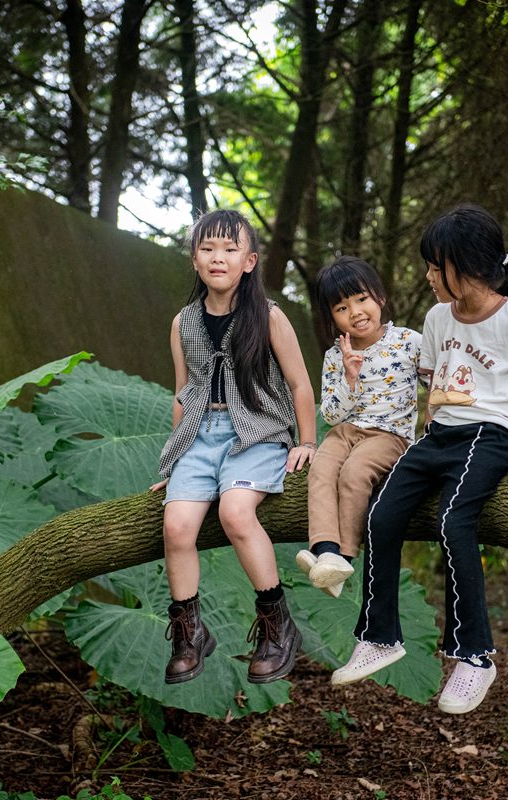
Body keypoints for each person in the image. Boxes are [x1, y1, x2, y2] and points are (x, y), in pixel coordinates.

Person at [330, 204, 508, 716]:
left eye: (436, 267)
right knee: (381, 515)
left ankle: (474, 655)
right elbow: (433, 385)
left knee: (453, 520)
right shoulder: (437, 318)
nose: (428, 276)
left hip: (492, 434)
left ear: (469, 267)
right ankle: (379, 636)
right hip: (439, 434)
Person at [150, 209, 317, 686]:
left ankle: (277, 624)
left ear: (249, 261)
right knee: (176, 525)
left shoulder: (269, 317)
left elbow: (300, 384)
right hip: (200, 435)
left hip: (258, 433)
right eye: (207, 249)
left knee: (236, 512)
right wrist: (175, 458)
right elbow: (183, 392)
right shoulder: (183, 323)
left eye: (229, 249)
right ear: (194, 260)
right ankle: (189, 633)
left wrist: (307, 441)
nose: (217, 257)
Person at [297, 256, 421, 598]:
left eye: (362, 299)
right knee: (321, 470)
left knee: (354, 473)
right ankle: (326, 550)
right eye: (342, 307)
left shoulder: (409, 342)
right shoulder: (335, 356)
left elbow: (438, 382)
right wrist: (349, 379)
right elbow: (330, 415)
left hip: (389, 435)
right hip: (345, 432)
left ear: (379, 296)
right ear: (332, 317)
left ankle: (344, 558)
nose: (355, 312)